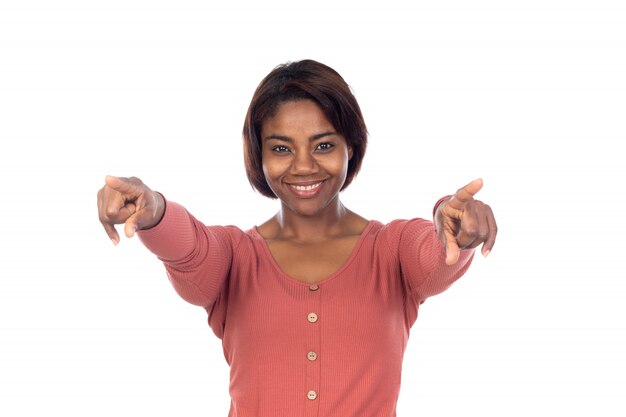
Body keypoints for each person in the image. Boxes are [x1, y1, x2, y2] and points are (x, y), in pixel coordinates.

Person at [97, 59, 497, 417]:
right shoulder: (234, 257)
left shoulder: (390, 251)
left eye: (323, 145)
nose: (304, 166)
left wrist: (456, 225)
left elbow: (433, 249)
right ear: (259, 155)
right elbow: (192, 250)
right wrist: (155, 212)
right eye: (281, 148)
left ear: (351, 148)